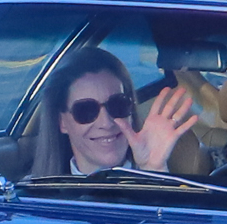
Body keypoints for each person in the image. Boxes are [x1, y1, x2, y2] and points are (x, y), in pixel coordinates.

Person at [27, 47, 199, 177]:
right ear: (61, 122)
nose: (106, 123)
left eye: (118, 105)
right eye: (86, 110)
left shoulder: (171, 180)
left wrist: (153, 171)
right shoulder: (29, 199)